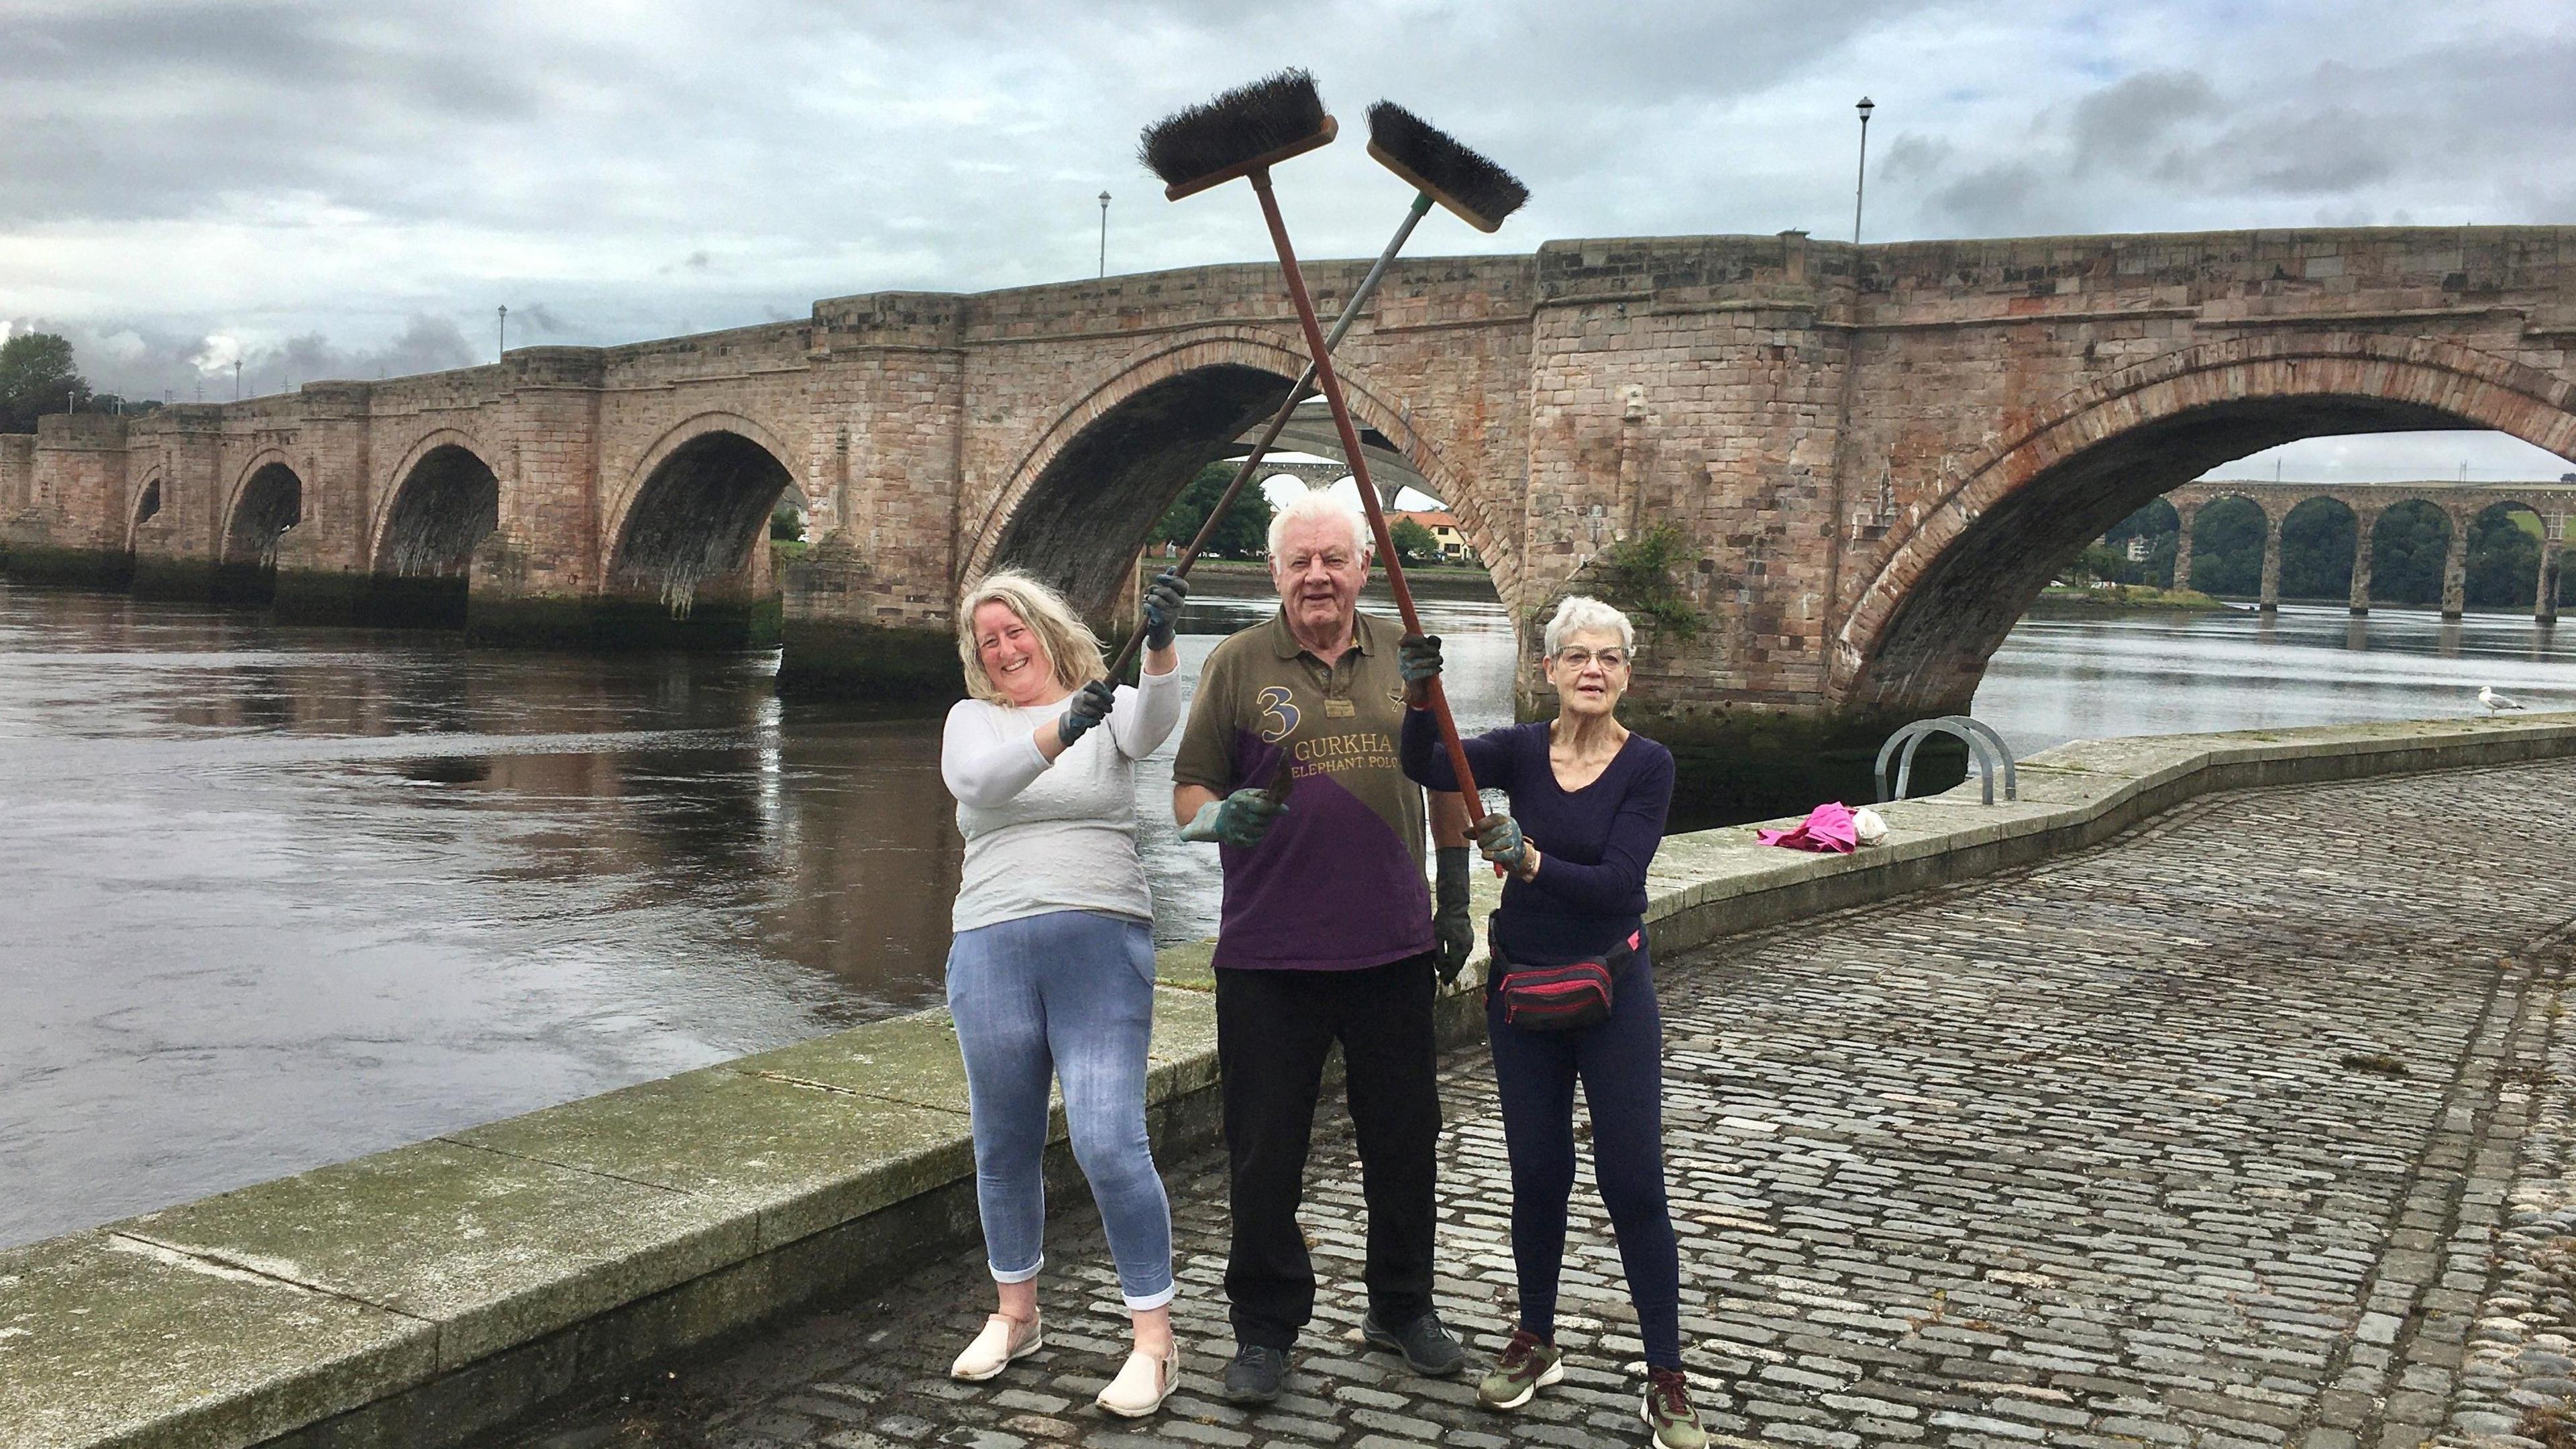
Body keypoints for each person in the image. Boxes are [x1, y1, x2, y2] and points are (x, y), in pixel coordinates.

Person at [1169, 491, 1477, 1405]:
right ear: (1275, 573)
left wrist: (1454, 902)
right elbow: (1185, 797)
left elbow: (1452, 781)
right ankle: (1265, 1327)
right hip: (1268, 955)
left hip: (1390, 946)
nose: (1317, 575)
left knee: (1405, 1141)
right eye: (1300, 560)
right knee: (1265, 1151)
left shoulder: (1410, 660)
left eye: (1333, 559)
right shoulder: (1235, 664)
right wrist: (1224, 816)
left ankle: (1403, 1305)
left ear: (1363, 569)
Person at [1396, 596, 1703, 1449]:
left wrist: (1527, 858)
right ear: (1551, 671)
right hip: (1523, 993)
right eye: (1577, 657)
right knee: (1538, 1171)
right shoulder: (1520, 751)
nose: (1593, 671)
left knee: (1633, 1181)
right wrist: (1419, 698)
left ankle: (1667, 1377)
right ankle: (1535, 1340)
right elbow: (1425, 763)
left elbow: (1618, 883)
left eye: (1609, 658)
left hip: (1612, 993)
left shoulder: (1650, 766)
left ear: (1627, 675)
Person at [938, 566, 1191, 1418]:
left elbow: (1155, 727)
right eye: (990, 641)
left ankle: (1155, 1341)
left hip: (1100, 939)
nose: (1006, 649)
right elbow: (981, 785)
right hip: (991, 945)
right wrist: (1058, 731)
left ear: (1047, 631)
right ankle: (1016, 1315)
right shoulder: (971, 721)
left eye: (1017, 631)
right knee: (1002, 1144)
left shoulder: (1106, 698)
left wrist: (1157, 648)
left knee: (1108, 1139)